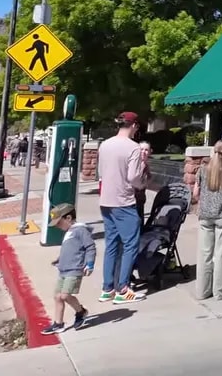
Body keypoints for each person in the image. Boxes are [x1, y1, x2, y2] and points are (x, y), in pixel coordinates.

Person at [97, 112, 149, 304]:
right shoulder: (133, 148)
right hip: (124, 201)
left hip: (106, 201)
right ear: (134, 125)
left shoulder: (105, 145)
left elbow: (101, 172)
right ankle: (123, 289)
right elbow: (134, 177)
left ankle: (107, 288)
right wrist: (143, 183)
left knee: (111, 244)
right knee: (130, 245)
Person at [192, 139, 222, 301]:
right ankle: (220, 292)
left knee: (204, 254)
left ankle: (202, 291)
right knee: (221, 255)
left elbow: (195, 194)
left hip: (205, 215)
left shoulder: (203, 169)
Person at [41, 203, 95, 335]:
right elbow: (70, 249)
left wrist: (90, 264)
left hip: (75, 269)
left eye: (59, 223)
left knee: (65, 295)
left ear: (69, 218)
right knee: (57, 297)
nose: (58, 227)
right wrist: (59, 259)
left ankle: (81, 312)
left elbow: (90, 247)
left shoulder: (81, 231)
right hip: (64, 269)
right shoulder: (69, 232)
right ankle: (58, 324)